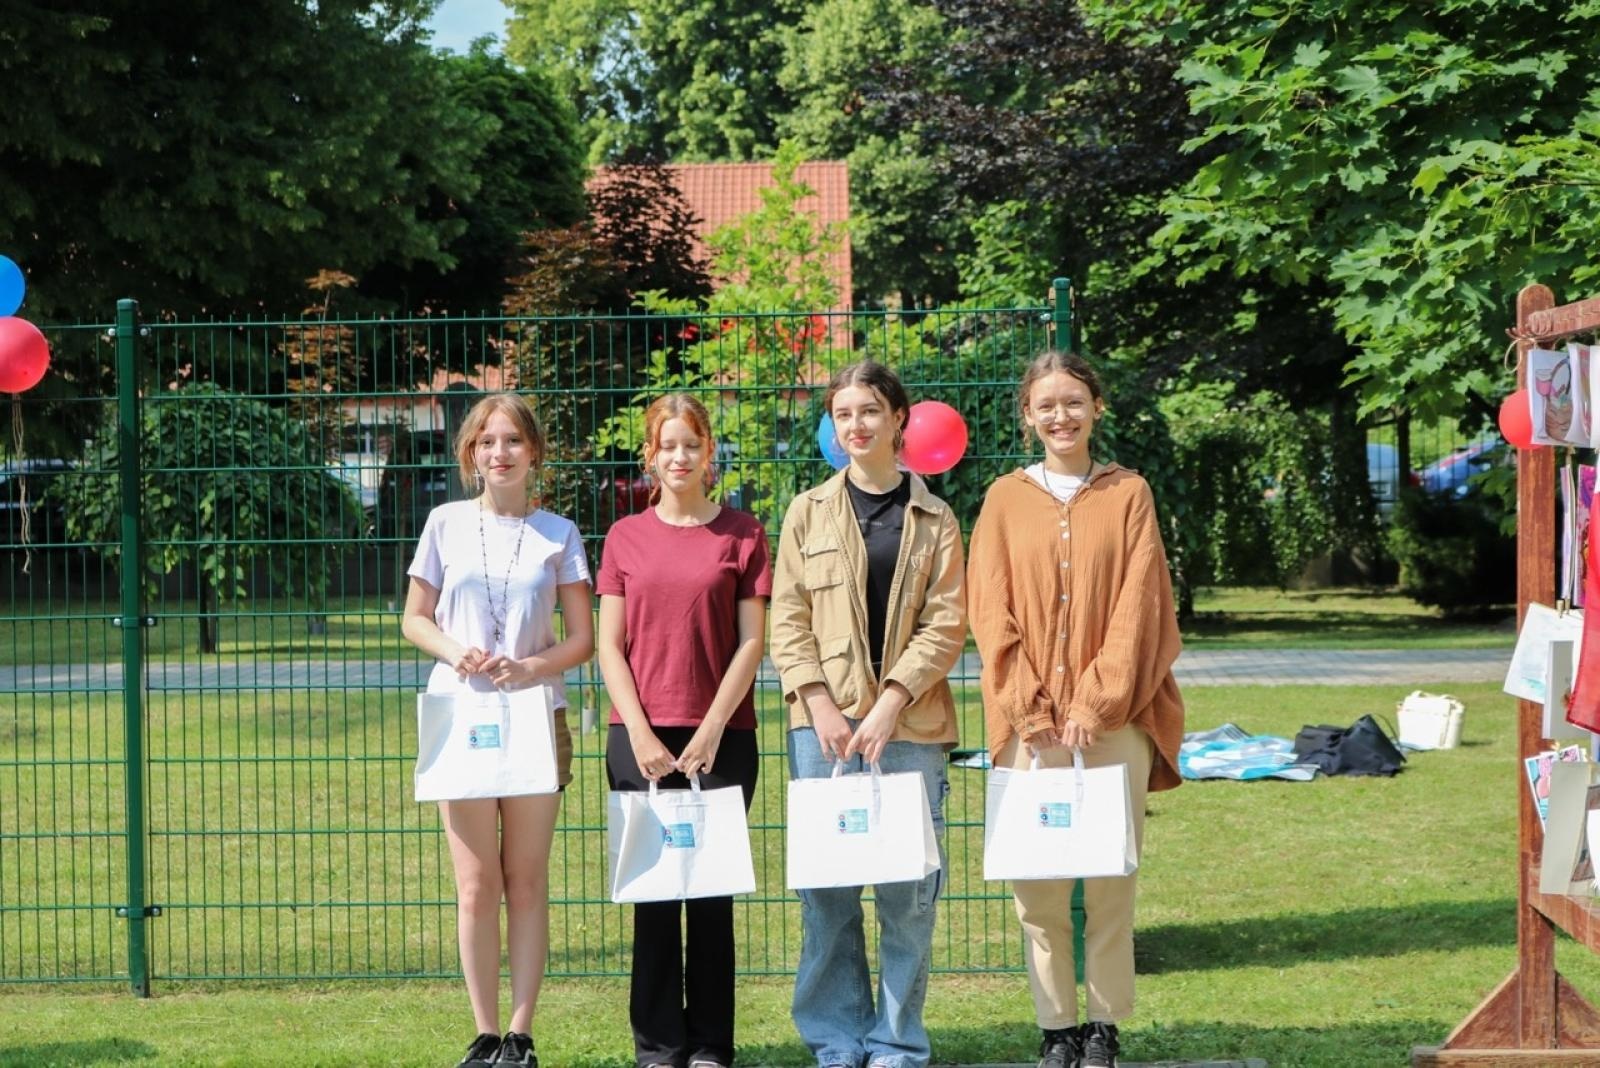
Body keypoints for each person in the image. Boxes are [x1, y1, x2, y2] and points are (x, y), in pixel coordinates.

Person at [967, 351, 1184, 1068]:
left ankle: (1104, 1027)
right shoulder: (1003, 499)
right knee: (1039, 888)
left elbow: (1140, 604)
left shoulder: (1130, 495)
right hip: (1027, 724)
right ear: (1027, 417)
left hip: (1112, 724)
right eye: (1046, 405)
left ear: (1097, 408)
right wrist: (1028, 708)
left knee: (1111, 880)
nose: (1060, 416)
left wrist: (1098, 699)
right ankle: (1056, 1027)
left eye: (1073, 402)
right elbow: (989, 609)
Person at [770, 360, 967, 1068]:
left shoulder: (936, 519)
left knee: (908, 897)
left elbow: (946, 625)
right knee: (827, 896)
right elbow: (786, 618)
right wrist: (817, 701)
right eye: (844, 413)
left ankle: (895, 1043)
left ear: (899, 422)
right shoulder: (806, 512)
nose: (857, 425)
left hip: (908, 731)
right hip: (820, 732)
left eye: (871, 412)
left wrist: (891, 702)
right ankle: (835, 1039)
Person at [401, 393, 594, 1068]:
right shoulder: (445, 523)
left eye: (512, 441)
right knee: (477, 884)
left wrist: (529, 666)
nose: (500, 453)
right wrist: (459, 654)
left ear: (533, 452)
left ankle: (521, 1033)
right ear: (471, 454)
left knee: (527, 879)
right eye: (487, 442)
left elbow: (583, 639)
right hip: (463, 719)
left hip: (537, 719)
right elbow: (415, 619)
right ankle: (484, 1035)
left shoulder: (559, 534)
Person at [596, 393, 772, 1068]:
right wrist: (641, 735)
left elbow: (751, 644)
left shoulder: (742, 533)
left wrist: (712, 727)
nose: (679, 457)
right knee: (654, 896)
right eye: (667, 446)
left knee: (710, 896)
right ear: (651, 456)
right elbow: (609, 647)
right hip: (638, 737)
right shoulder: (623, 539)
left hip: (722, 736)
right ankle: (659, 1045)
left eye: (691, 445)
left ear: (709, 454)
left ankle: (709, 1047)